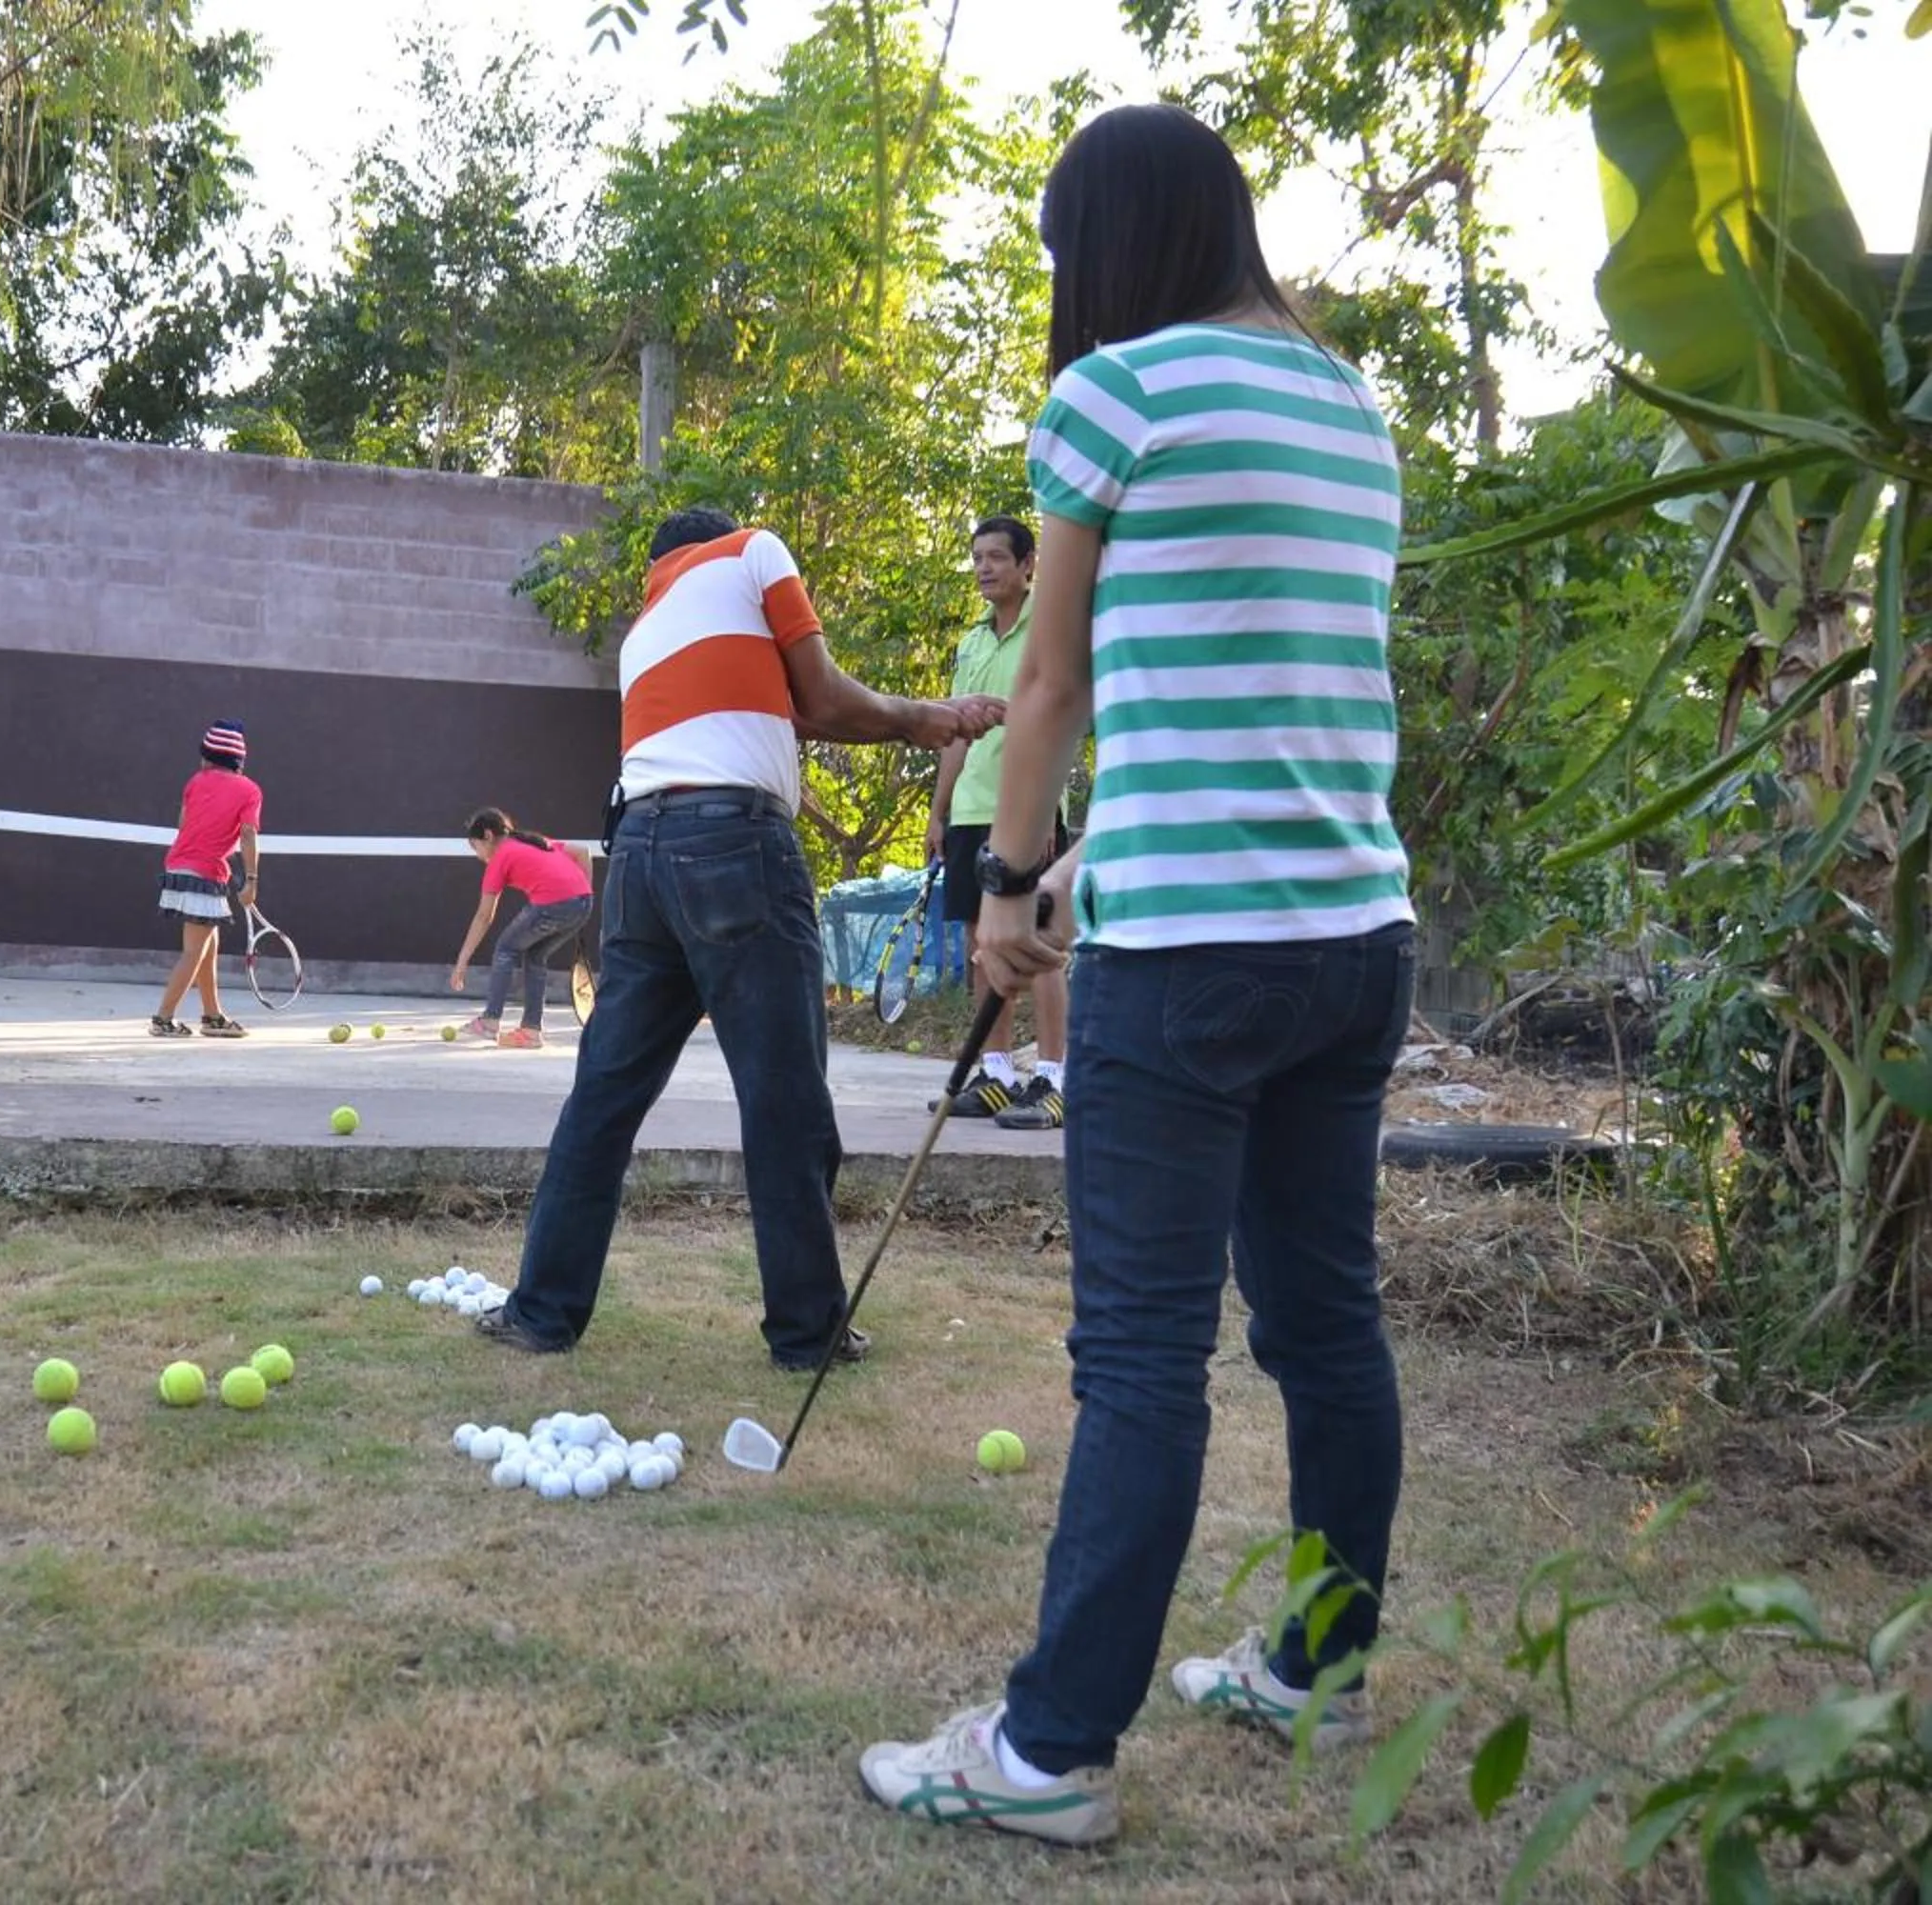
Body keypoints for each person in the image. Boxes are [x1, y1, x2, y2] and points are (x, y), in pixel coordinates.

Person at [855, 102, 1417, 1847]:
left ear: (1106, 239)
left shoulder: (1120, 391)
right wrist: (1099, 849)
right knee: (1325, 1320)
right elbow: (1260, 687)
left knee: (1144, 1362)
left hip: (1188, 968)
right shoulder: (1349, 405)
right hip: (1355, 940)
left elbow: (1051, 685)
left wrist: (1010, 884)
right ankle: (1318, 1665)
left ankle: (1049, 1755)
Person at [477, 509, 997, 1370]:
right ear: (713, 540)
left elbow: (793, 711)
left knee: (604, 1100)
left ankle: (540, 1313)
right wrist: (924, 717)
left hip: (639, 860)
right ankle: (806, 1331)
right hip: (733, 851)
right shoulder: (752, 549)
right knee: (784, 1097)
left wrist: (922, 716)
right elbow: (824, 697)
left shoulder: (647, 630)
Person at [928, 514, 1070, 1129]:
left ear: (1028, 564)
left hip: (1028, 808)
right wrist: (939, 810)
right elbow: (956, 734)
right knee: (980, 945)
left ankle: (1054, 1077)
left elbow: (1060, 719)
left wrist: (1044, 810)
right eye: (978, 557)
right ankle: (998, 1073)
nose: (985, 567)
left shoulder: (1052, 627)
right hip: (970, 812)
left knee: (1035, 944)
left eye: (997, 557)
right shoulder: (971, 643)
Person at [150, 720, 263, 1038]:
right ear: (238, 761)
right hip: (204, 875)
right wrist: (251, 879)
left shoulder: (195, 781)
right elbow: (249, 834)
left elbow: (184, 823)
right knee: (193, 951)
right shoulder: (250, 790)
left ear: (207, 757)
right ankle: (164, 1018)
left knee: (207, 947)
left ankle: (212, 1016)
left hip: (178, 869)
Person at [448, 808, 596, 1048]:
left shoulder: (501, 857)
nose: (478, 856)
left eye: (475, 847)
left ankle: (490, 1022)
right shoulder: (537, 842)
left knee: (506, 948)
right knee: (535, 956)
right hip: (583, 903)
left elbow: (484, 917)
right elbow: (583, 852)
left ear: (487, 836)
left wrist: (461, 962)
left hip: (553, 904)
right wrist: (581, 893)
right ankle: (531, 1031)